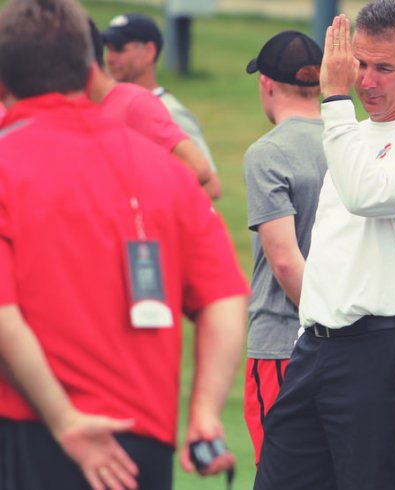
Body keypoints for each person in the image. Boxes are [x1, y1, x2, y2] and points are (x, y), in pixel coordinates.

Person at [0, 1, 248, 490]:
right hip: (141, 444)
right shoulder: (166, 172)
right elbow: (225, 297)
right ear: (92, 69)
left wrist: (66, 420)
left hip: (26, 430)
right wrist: (203, 413)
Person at [253, 1, 395, 489]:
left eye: (384, 68)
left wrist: (334, 100)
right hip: (317, 348)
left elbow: (365, 195)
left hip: (387, 351)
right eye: (360, 65)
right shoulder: (352, 136)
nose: (366, 81)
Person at [241, 29, 328, 466]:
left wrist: (325, 320)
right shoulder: (352, 141)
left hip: (282, 343)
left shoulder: (268, 153)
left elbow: (284, 261)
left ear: (266, 83)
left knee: (281, 473)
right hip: (348, 352)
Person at [86, 19, 219, 200]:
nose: (110, 58)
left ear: (149, 52)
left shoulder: (168, 110)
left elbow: (210, 183)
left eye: (119, 49)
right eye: (108, 49)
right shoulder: (108, 102)